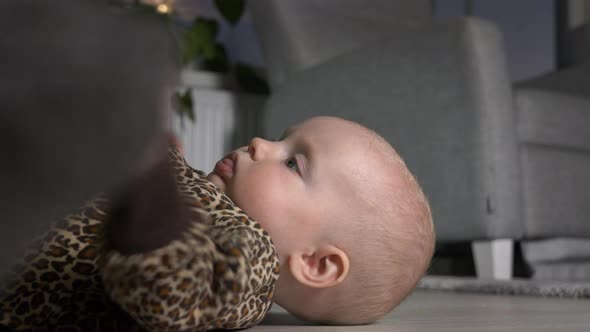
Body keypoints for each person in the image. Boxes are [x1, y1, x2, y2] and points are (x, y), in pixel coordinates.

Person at [0, 116, 434, 331]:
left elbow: (171, 290)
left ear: (316, 263)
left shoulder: (248, 258)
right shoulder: (196, 184)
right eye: (281, 136)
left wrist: (148, 196)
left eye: (293, 164)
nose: (260, 143)